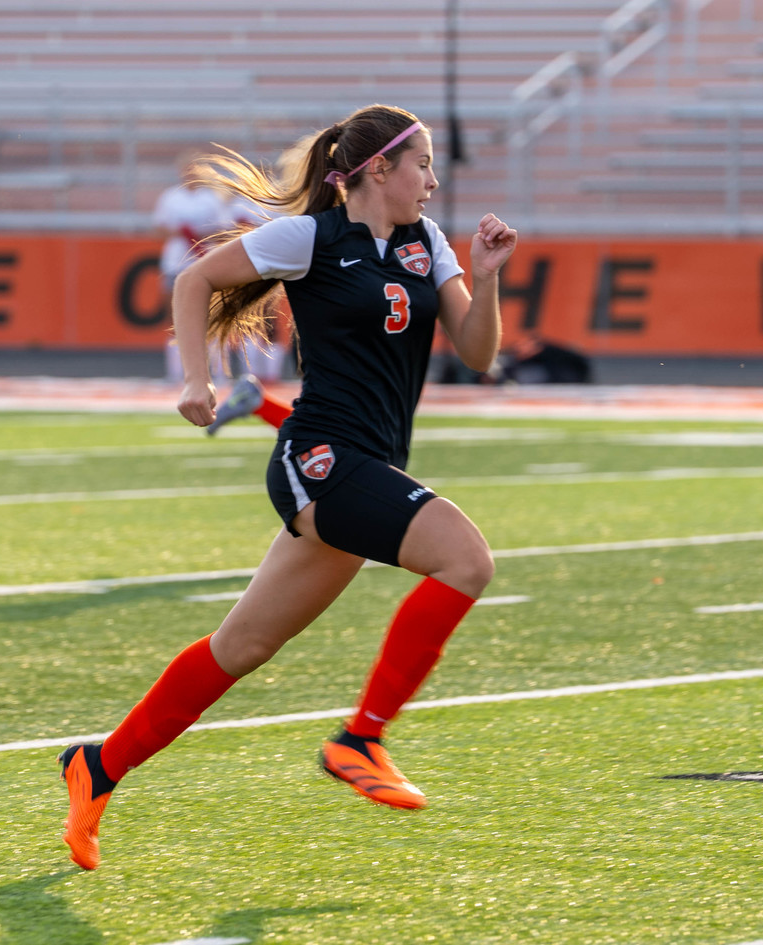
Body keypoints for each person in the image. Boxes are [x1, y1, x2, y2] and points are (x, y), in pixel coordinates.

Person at [58, 103, 518, 871]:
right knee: (466, 560)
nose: (434, 182)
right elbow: (197, 279)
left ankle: (98, 766)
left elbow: (477, 353)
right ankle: (361, 739)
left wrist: (489, 276)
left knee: (242, 645)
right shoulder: (312, 237)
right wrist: (197, 380)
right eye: (423, 165)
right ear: (379, 169)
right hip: (320, 457)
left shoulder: (428, 242)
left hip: (367, 462)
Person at [154, 151, 235, 384]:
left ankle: (219, 372)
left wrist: (199, 234)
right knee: (174, 316)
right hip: (175, 262)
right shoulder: (171, 197)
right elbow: (159, 227)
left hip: (204, 261)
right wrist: (180, 232)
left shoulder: (211, 198)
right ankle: (176, 373)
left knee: (212, 315)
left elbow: (225, 229)